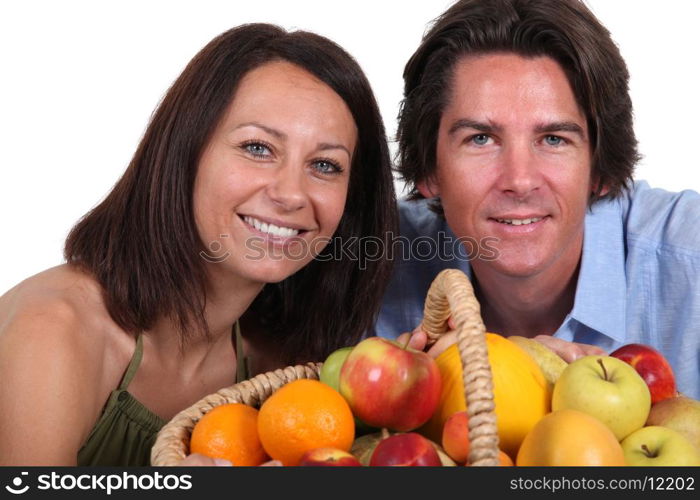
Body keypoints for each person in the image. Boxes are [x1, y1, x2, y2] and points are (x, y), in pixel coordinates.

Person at [0, 24, 397, 466]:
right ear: (185, 152)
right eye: (258, 148)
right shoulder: (56, 328)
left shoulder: (277, 364)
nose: (291, 194)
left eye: (325, 165)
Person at [375, 0, 700, 400]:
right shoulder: (367, 264)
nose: (520, 180)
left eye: (553, 139)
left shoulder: (690, 259)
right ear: (429, 171)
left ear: (599, 169)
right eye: (481, 139)